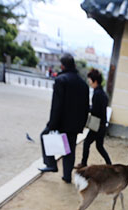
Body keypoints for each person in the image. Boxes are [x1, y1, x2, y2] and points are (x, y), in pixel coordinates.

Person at [39, 53, 89, 183]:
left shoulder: (61, 80)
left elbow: (57, 106)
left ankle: (51, 164)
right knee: (69, 150)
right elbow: (85, 107)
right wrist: (82, 125)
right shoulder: (83, 84)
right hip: (76, 124)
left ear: (62, 66)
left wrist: (52, 125)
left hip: (62, 123)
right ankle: (67, 176)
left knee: (44, 135)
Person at [80, 68, 112, 166]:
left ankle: (83, 164)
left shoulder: (97, 94)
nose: (89, 82)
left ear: (95, 81)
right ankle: (109, 165)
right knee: (99, 146)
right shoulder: (102, 93)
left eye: (90, 80)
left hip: (96, 124)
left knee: (87, 143)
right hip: (102, 124)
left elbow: (95, 111)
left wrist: (86, 108)